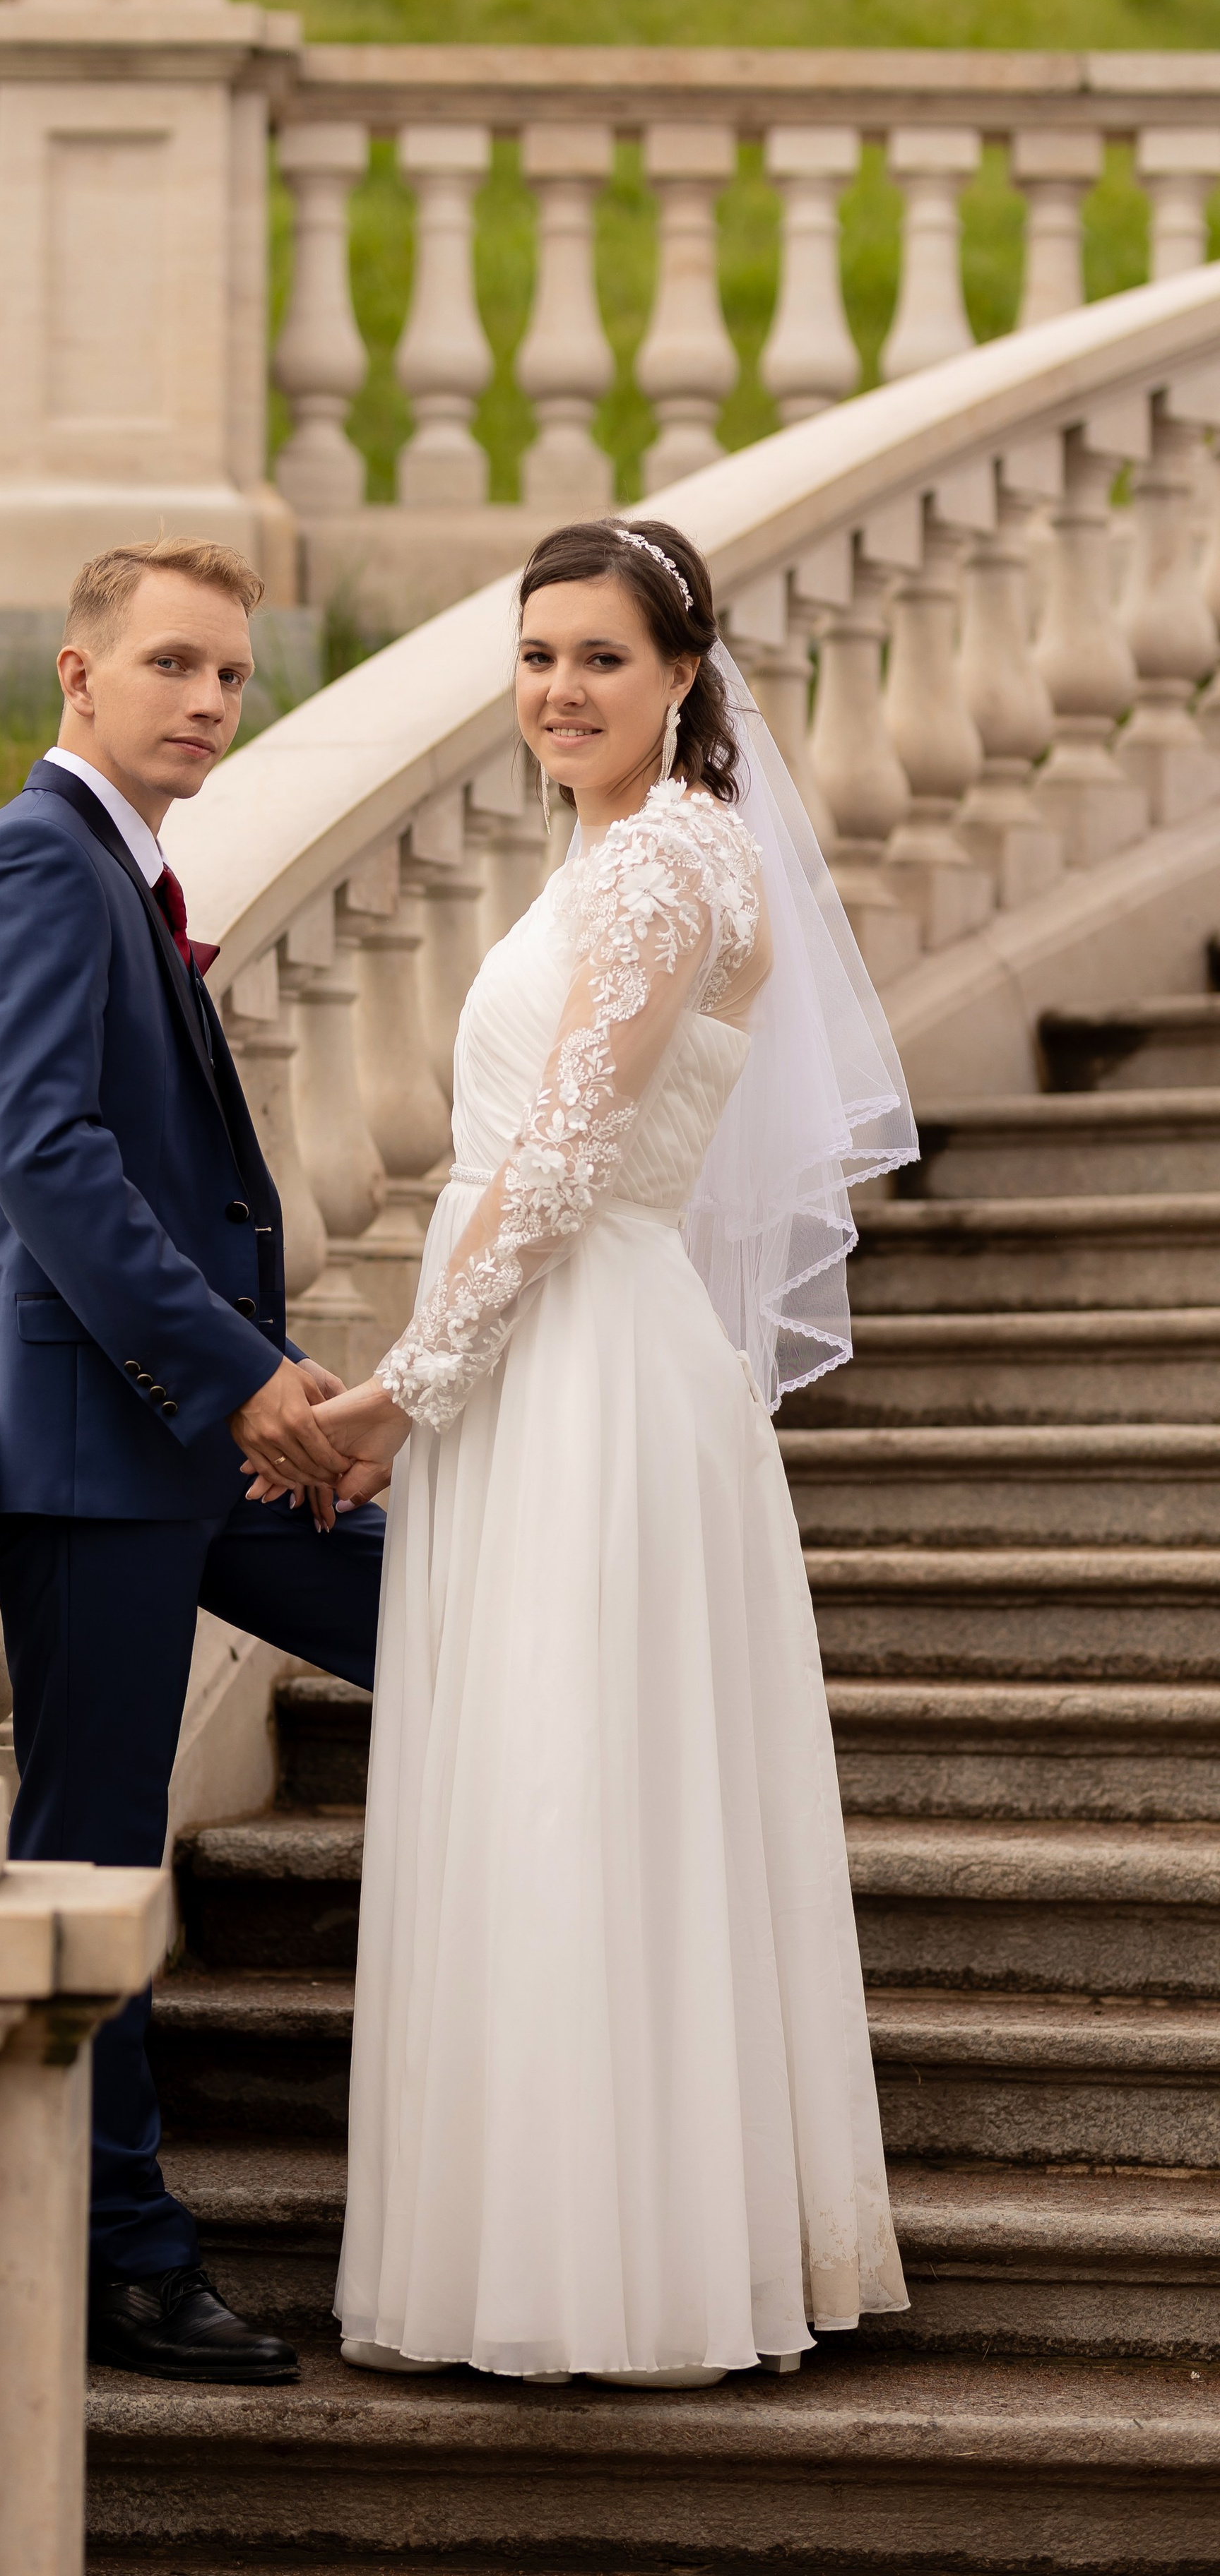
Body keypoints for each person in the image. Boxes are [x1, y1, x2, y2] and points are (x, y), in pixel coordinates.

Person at [273, 516, 916, 2387]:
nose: (559, 688)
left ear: (683, 673)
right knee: (562, 1780)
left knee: (578, 1783)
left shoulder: (662, 871)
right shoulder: (634, 850)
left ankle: (607, 2264)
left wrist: (409, 1387)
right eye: (537, 653)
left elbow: (558, 1164)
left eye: (601, 658)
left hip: (577, 1360)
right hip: (565, 1351)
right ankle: (572, 2236)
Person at [0, 537, 386, 2387]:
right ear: (77, 673)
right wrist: (244, 1377)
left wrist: (270, 1386)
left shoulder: (131, 875)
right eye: (177, 665)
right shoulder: (40, 859)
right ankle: (124, 2259)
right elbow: (48, 1164)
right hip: (107, 1447)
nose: (211, 699)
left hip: (187, 1434)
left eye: (233, 676)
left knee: (462, 1612)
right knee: (93, 1856)